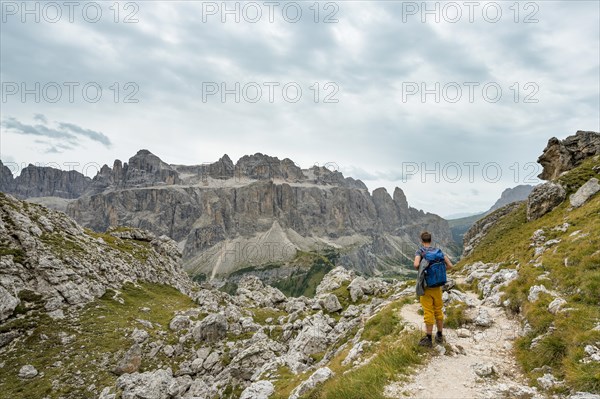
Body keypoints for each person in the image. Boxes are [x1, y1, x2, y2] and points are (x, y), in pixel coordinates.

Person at [414, 231, 453, 347]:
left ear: (421, 241)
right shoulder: (438, 251)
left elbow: (416, 265)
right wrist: (438, 272)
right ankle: (440, 335)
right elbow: (450, 265)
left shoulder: (420, 251)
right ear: (430, 240)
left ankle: (428, 338)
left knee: (428, 312)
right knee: (438, 310)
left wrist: (425, 271)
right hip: (438, 286)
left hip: (426, 287)